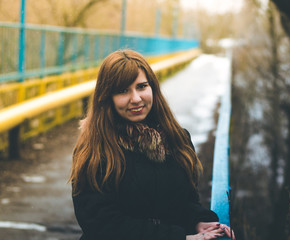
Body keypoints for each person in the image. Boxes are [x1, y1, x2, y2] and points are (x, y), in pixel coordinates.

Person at [69, 49, 235, 240]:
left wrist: (199, 220)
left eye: (141, 86)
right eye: (123, 91)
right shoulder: (95, 150)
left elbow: (185, 202)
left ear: (152, 88)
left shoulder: (177, 139)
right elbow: (102, 225)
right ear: (107, 98)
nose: (136, 98)